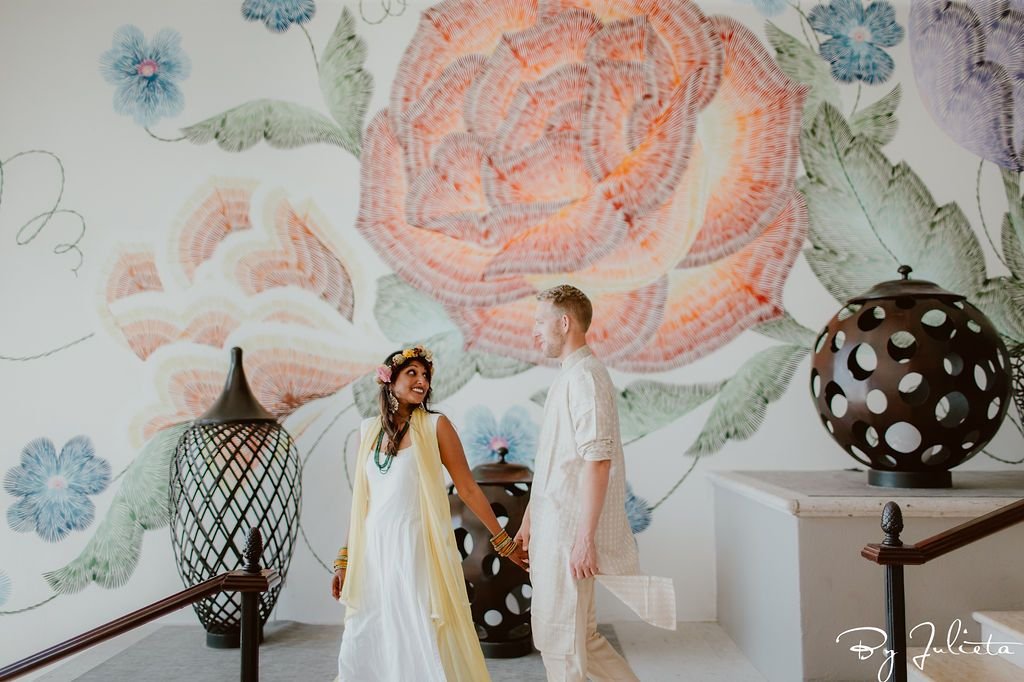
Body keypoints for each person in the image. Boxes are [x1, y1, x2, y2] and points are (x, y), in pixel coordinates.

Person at [331, 345, 527, 681]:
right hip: (374, 550)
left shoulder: (437, 426)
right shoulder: (367, 431)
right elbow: (360, 504)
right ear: (389, 379)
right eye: (412, 373)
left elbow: (467, 488)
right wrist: (344, 559)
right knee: (366, 629)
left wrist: (503, 540)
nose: (422, 381)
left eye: (426, 376)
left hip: (415, 545)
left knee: (417, 627)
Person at [517, 285, 676, 682]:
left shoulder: (585, 378)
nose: (535, 330)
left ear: (564, 322)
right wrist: (529, 520)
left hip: (569, 535)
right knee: (581, 639)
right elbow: (557, 464)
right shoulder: (571, 377)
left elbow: (597, 462)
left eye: (540, 321)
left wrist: (584, 539)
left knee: (562, 643)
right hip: (555, 530)